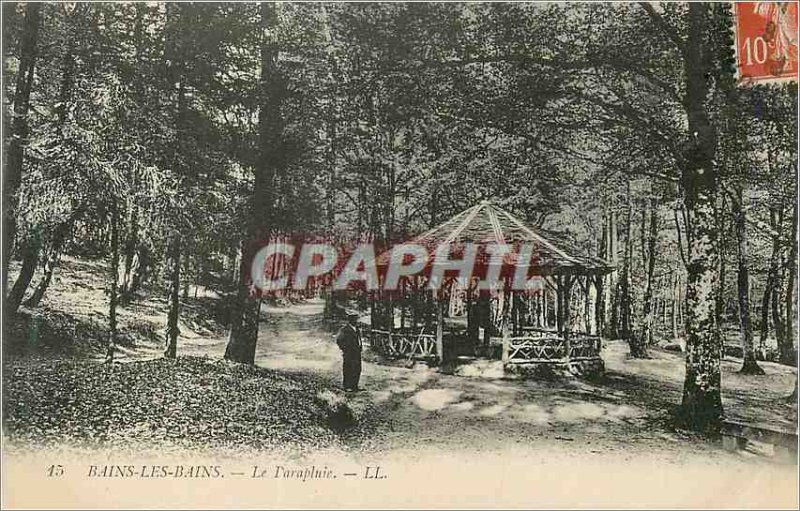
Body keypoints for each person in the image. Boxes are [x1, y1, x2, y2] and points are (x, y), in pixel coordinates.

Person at [336, 313, 363, 392]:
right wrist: (345, 349)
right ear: (350, 320)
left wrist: (360, 346)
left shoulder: (357, 329)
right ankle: (347, 386)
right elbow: (339, 340)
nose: (357, 321)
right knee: (348, 368)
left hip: (357, 352)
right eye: (355, 319)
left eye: (357, 319)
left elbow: (358, 339)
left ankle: (355, 386)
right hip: (349, 353)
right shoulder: (345, 329)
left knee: (357, 368)